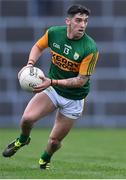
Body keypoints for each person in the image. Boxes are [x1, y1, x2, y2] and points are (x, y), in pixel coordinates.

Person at [2, 4, 99, 170]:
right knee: (27, 119)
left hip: (74, 98)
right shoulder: (54, 33)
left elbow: (81, 80)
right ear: (68, 21)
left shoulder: (90, 48)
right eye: (78, 20)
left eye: (85, 21)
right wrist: (29, 65)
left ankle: (44, 160)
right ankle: (23, 139)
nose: (82, 25)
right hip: (52, 90)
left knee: (54, 141)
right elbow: (38, 46)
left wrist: (52, 81)